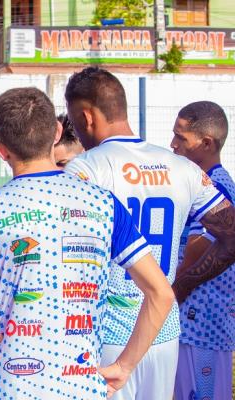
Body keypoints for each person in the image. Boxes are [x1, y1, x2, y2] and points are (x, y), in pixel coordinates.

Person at [0, 87, 174, 400]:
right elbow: (160, 293)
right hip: (80, 387)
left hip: (6, 387)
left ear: (0, 150)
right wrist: (124, 365)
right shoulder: (104, 204)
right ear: (57, 132)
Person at [63, 67, 235, 400]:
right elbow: (231, 232)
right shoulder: (182, 167)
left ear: (86, 117)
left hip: (107, 334)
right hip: (163, 332)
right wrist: (180, 285)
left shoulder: (86, 168)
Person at [170, 101, 235, 400]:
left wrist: (172, 293)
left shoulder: (214, 188)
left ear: (206, 143)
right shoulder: (204, 183)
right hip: (200, 323)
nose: (173, 145)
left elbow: (199, 247)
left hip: (201, 324)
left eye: (181, 138)